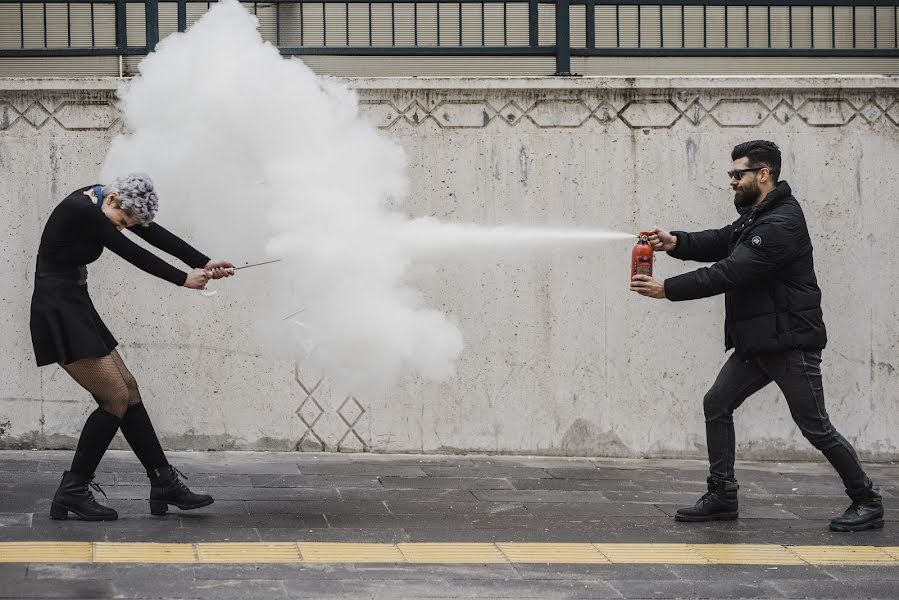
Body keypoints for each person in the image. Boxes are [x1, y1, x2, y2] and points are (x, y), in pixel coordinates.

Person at [630, 140, 883, 532]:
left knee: (815, 425)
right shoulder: (758, 215)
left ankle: (866, 500)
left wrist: (668, 288)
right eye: (731, 173)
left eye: (737, 173)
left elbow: (731, 271)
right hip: (759, 341)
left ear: (763, 174)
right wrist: (675, 242)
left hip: (790, 343)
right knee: (717, 403)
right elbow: (721, 240)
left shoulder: (781, 223)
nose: (731, 181)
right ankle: (722, 496)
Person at [30, 173, 234, 521]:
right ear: (112, 202)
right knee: (115, 398)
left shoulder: (106, 200)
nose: (124, 228)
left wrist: (201, 262)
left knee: (129, 390)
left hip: (75, 302)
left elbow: (151, 233)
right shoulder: (83, 209)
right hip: (57, 308)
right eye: (123, 222)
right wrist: (183, 279)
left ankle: (163, 483)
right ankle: (72, 490)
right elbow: (130, 252)